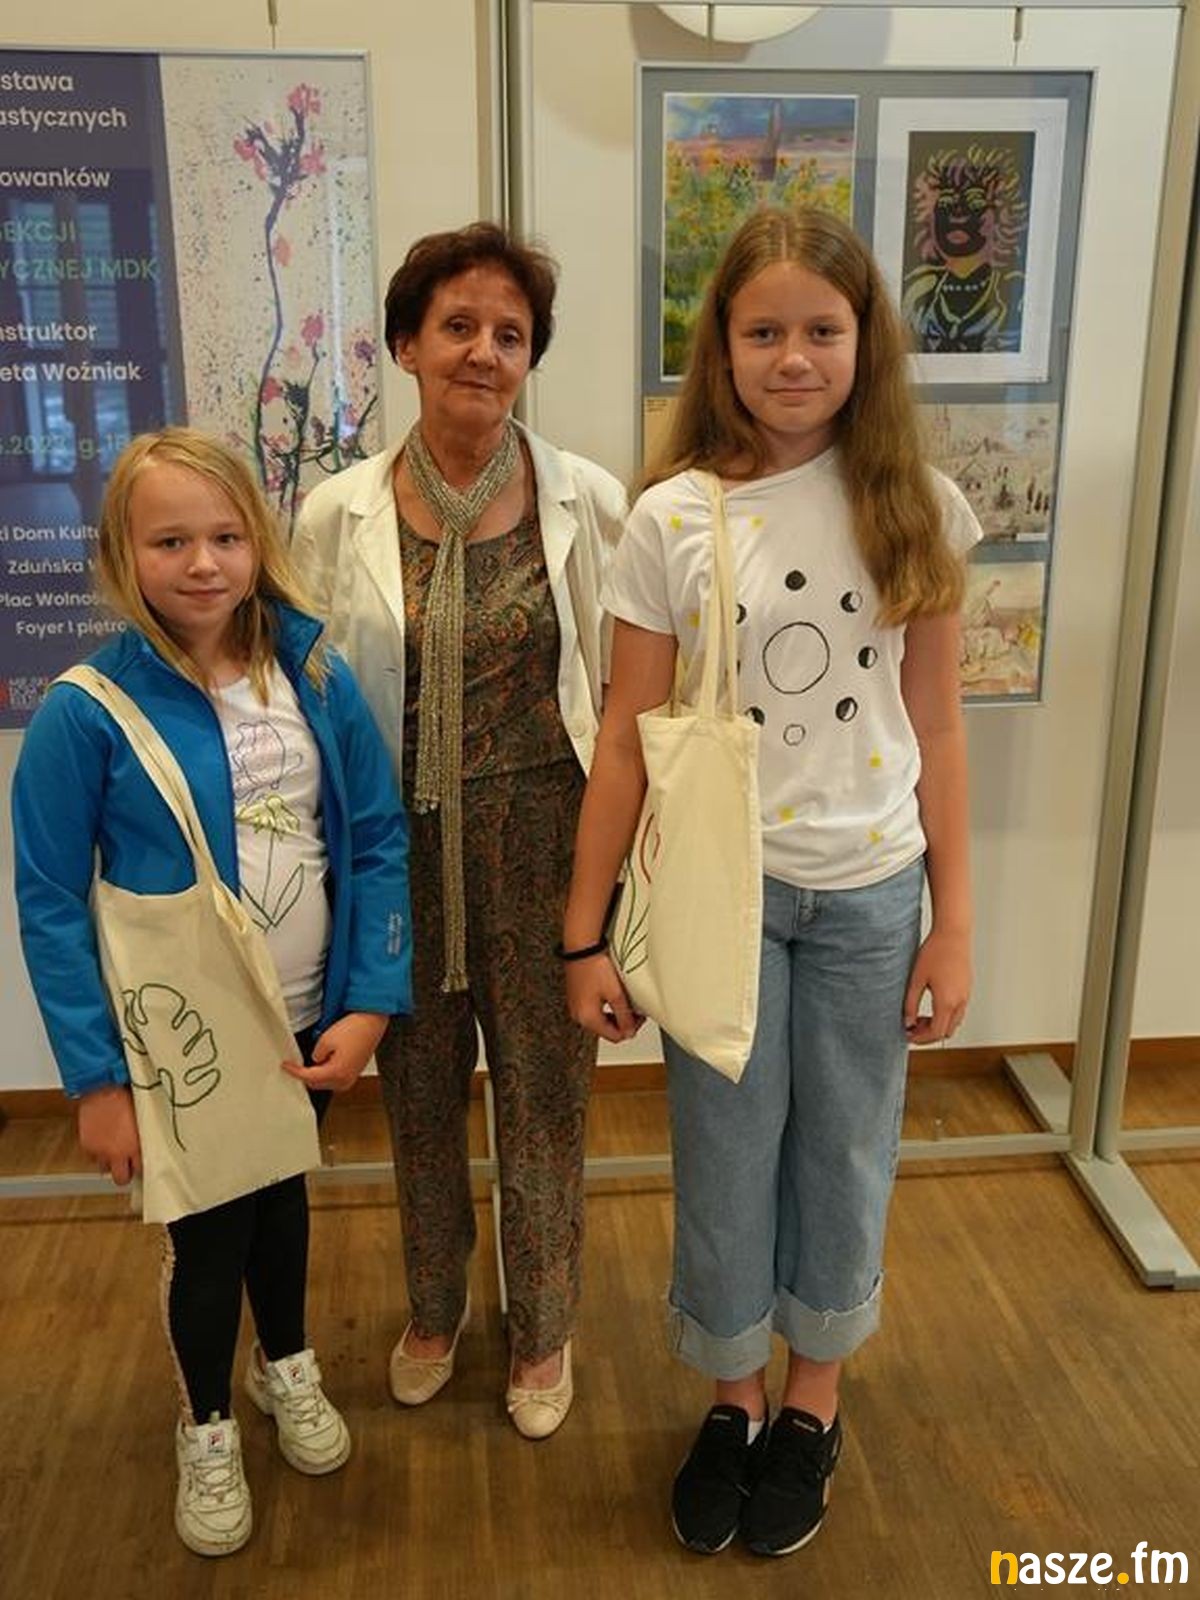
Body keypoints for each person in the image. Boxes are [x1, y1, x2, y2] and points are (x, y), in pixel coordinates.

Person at [562, 207, 979, 1556]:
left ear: (865, 341)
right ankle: (733, 1394)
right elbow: (625, 736)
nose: (793, 357)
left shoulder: (917, 505)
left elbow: (940, 726)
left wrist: (955, 926)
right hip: (719, 899)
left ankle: (814, 1399)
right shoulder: (671, 515)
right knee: (727, 1154)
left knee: (847, 1151)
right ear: (723, 348)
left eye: (821, 330)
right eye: (763, 332)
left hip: (871, 894)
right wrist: (584, 934)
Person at [12, 428, 411, 1557]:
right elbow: (50, 902)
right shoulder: (87, 711)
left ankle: (286, 1362)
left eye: (227, 537)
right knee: (211, 1232)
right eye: (171, 541)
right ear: (121, 552)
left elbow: (376, 838)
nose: (203, 563)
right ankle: (207, 1421)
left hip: (307, 1014)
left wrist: (369, 1000)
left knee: (282, 1200)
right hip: (186, 1039)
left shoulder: (314, 674)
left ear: (258, 542)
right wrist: (95, 1083)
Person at [291, 222, 626, 1438]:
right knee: (419, 1094)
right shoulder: (337, 512)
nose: (484, 351)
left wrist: (611, 894)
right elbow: (311, 698)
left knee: (544, 1096)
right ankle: (434, 1307)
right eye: (459, 327)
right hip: (402, 845)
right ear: (406, 346)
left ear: (531, 357)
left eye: (510, 334)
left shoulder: (588, 498)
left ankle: (542, 1325)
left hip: (547, 843)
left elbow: (622, 698)